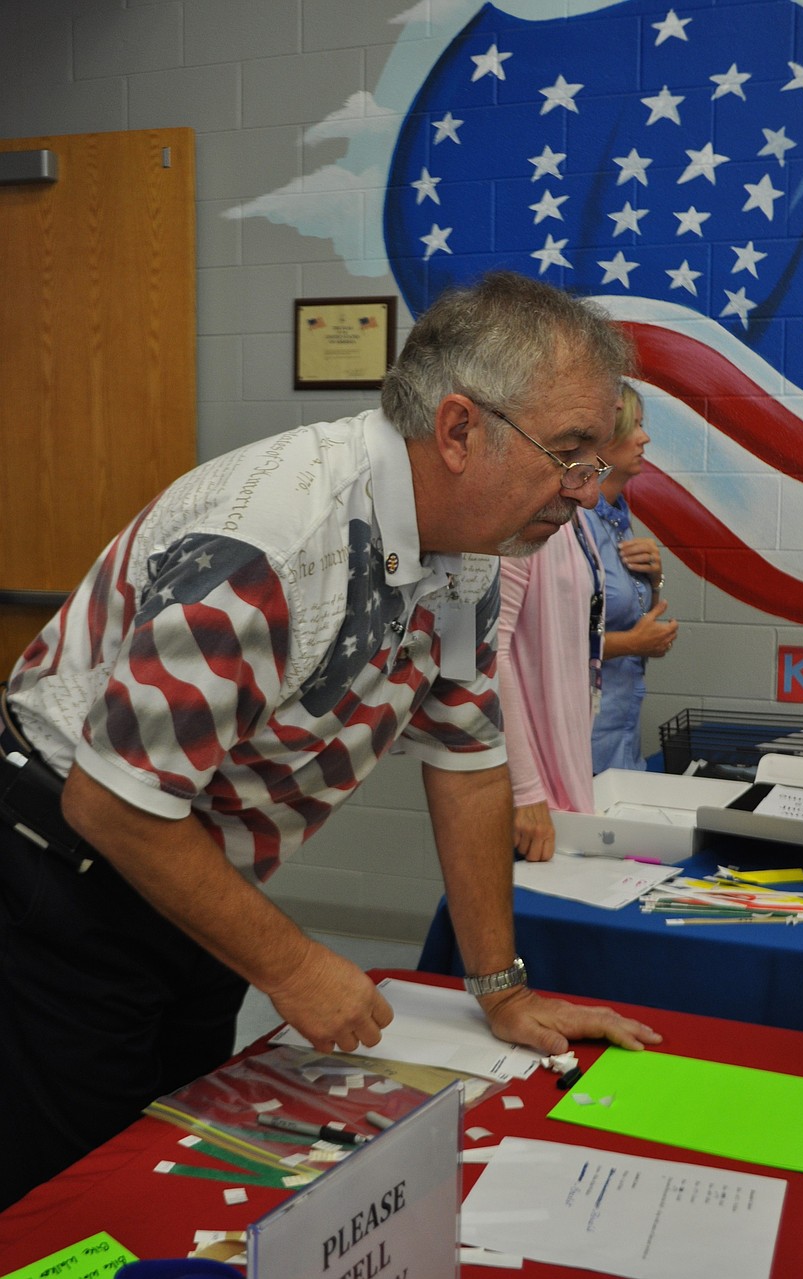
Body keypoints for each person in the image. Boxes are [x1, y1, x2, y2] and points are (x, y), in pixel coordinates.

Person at [0, 271, 661, 1210]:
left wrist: (502, 987)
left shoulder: (475, 543)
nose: (588, 492)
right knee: (74, 1189)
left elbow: (468, 761)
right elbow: (112, 802)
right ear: (461, 430)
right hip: (63, 864)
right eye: (570, 454)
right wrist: (295, 965)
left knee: (173, 1152)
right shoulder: (274, 542)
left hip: (192, 865)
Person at [498, 506, 604, 863]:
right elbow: (489, 658)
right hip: (532, 792)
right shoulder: (518, 517)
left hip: (565, 769)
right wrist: (527, 792)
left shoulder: (578, 521)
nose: (592, 494)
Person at [584, 383, 678, 773]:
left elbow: (630, 612)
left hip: (620, 730)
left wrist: (655, 581)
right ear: (602, 439)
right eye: (634, 426)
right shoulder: (574, 522)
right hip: (582, 736)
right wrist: (634, 643)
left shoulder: (617, 518)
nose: (645, 438)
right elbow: (547, 644)